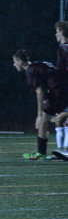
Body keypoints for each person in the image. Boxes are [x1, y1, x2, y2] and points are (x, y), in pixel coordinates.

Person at [12, 49, 68, 160]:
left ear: (21, 61)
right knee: (59, 119)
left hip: (60, 91)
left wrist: (39, 114)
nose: (14, 65)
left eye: (15, 61)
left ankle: (41, 152)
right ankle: (62, 151)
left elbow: (40, 92)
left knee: (44, 119)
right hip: (62, 89)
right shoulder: (39, 65)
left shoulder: (31, 70)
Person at [51, 21, 68, 159]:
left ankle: (65, 151)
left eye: (57, 31)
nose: (56, 34)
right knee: (63, 119)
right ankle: (62, 151)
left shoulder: (63, 49)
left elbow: (62, 72)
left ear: (62, 32)